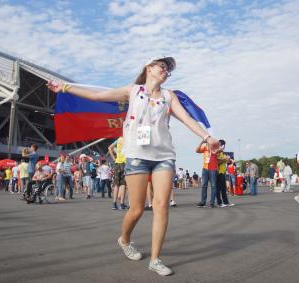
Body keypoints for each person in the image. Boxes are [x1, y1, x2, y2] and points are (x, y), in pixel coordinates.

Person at [47, 56, 219, 276]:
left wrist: (206, 136)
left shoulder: (169, 96)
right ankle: (125, 239)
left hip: (164, 156)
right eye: (163, 67)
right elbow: (98, 96)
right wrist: (64, 87)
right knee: (137, 209)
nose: (166, 71)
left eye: (168, 69)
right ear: (149, 68)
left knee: (161, 205)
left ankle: (155, 259)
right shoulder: (132, 90)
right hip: (137, 155)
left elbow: (186, 118)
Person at [196, 139, 218, 208]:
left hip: (213, 169)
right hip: (205, 169)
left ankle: (212, 203)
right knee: (203, 186)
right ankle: (203, 202)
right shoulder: (204, 148)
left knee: (213, 186)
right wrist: (202, 142)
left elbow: (219, 150)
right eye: (207, 141)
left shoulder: (215, 148)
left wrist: (212, 148)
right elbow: (197, 150)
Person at [108, 137, 128, 210]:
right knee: (123, 184)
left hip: (117, 163)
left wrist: (114, 158)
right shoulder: (128, 138)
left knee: (116, 184)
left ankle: (114, 204)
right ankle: (122, 203)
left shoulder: (119, 139)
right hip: (125, 163)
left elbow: (110, 148)